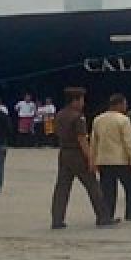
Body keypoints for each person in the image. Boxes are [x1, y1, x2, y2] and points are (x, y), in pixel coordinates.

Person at [50, 87, 117, 229]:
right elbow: (82, 139)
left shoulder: (60, 115)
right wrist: (91, 159)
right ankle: (103, 217)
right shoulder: (78, 117)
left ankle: (57, 219)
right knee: (93, 186)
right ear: (75, 101)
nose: (83, 103)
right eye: (81, 100)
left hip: (64, 153)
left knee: (62, 187)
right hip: (77, 154)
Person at [92, 93, 131, 222]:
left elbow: (94, 141)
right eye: (125, 104)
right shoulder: (124, 120)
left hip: (104, 160)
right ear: (119, 104)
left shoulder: (98, 119)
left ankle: (107, 216)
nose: (126, 107)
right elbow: (128, 142)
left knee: (107, 190)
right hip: (121, 160)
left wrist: (94, 159)